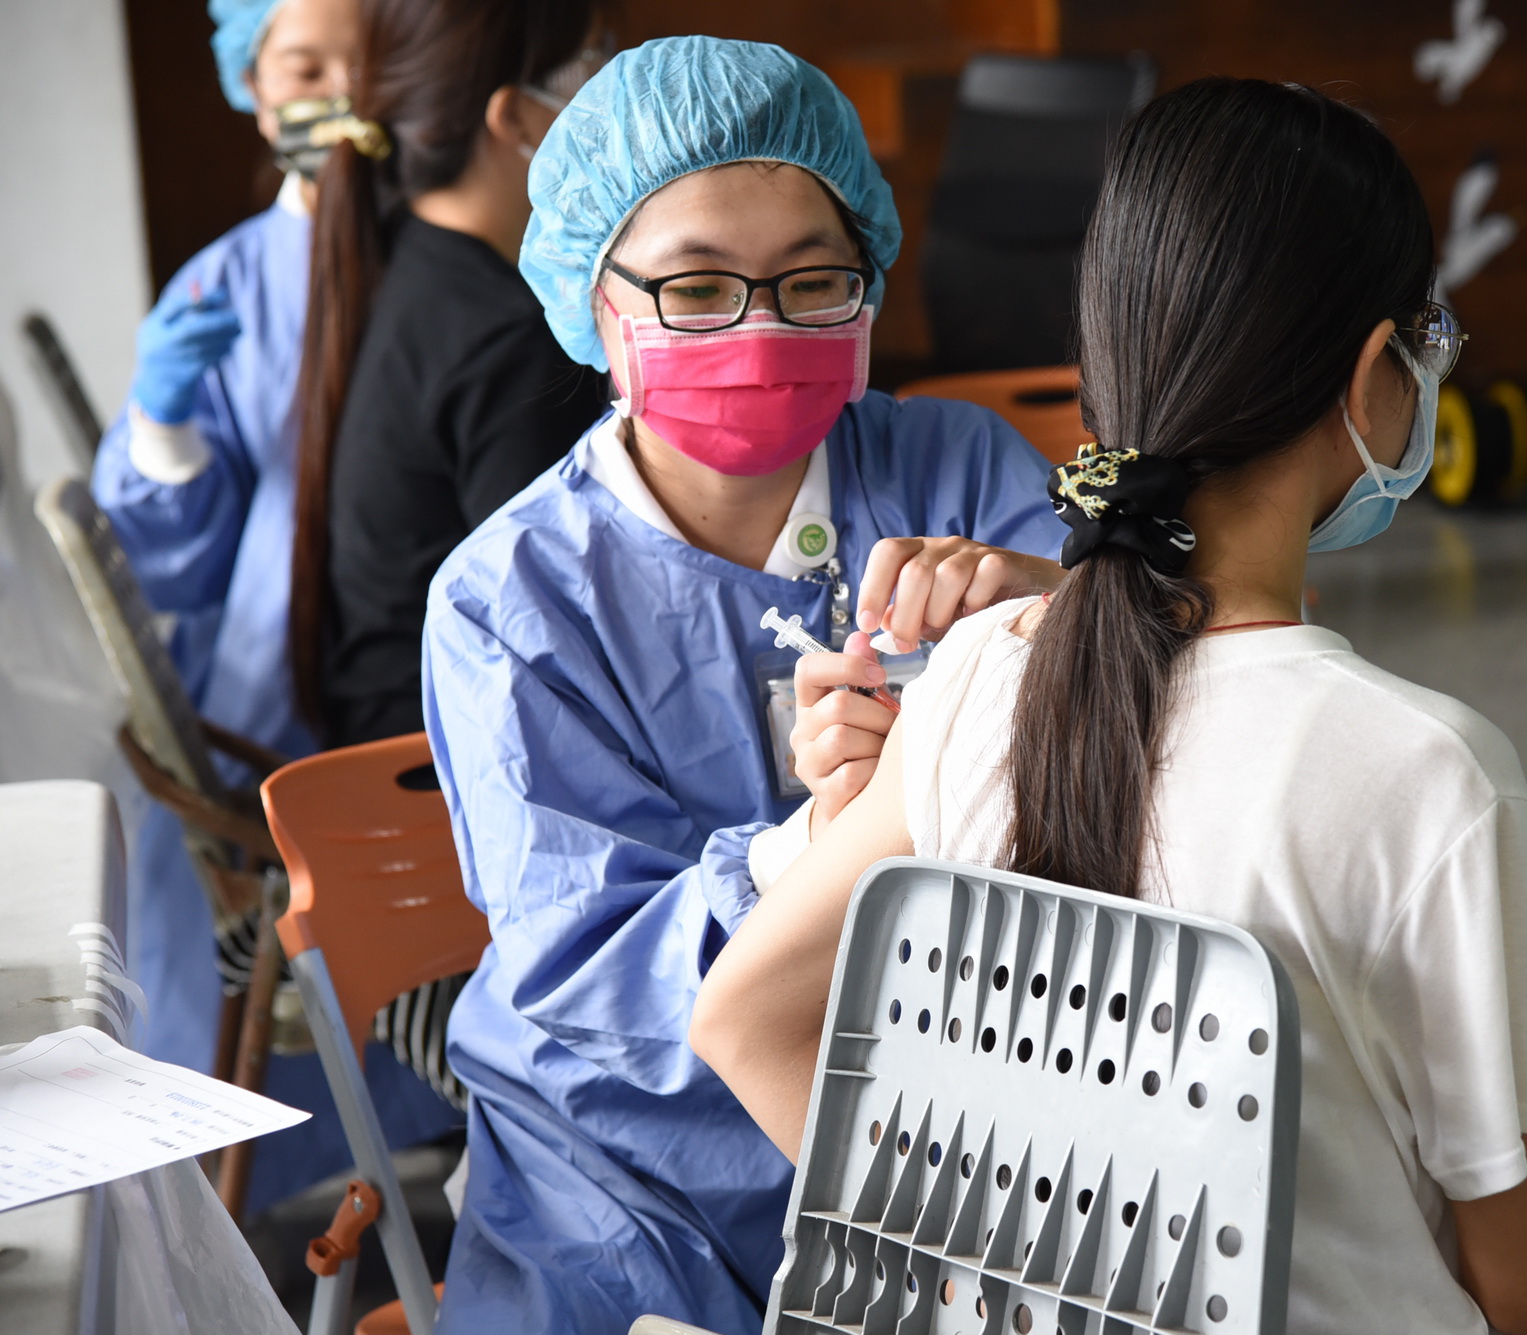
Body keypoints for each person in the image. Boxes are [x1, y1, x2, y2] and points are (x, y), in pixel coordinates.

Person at [691, 79, 1527, 1335]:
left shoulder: (984, 674)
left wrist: (968, 1277)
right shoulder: (1421, 771)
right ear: (1376, 374)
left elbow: (744, 1017)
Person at [422, 36, 1069, 1335]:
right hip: (628, 1169)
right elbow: (584, 966)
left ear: (870, 282)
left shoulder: (960, 473)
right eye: (698, 289)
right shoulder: (511, 600)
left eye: (812, 280)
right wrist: (812, 848)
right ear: (598, 302)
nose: (763, 327)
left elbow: (1161, 731)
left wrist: (1048, 612)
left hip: (965, 1088)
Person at [91, 0, 463, 1214]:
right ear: (251, 86)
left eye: (365, 64)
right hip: (272, 700)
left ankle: (458, 1164)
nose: (340, 93)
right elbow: (166, 565)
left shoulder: (457, 270)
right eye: (304, 66)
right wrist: (160, 429)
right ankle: (252, 1200)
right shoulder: (228, 283)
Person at [291, 0, 610, 747]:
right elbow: (554, 626)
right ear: (519, 119)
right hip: (441, 763)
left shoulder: (407, 256)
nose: (609, 92)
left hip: (382, 731)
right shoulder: (510, 339)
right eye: (592, 64)